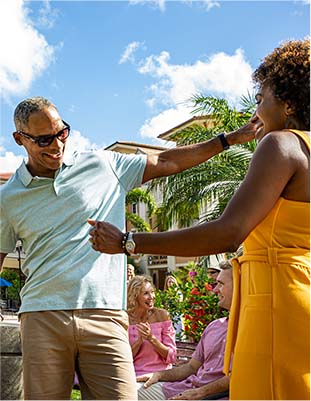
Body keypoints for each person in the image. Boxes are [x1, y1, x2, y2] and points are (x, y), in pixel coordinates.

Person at [89, 39, 310, 400]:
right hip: (296, 295)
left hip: (273, 302)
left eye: (261, 98)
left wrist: (128, 241)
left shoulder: (281, 145)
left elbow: (228, 232)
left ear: (287, 103)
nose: (256, 108)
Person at [0, 96, 256, 400]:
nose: (56, 145)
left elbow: (166, 161)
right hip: (43, 315)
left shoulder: (101, 164)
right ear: (20, 139)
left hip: (105, 313)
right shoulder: (9, 197)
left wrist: (227, 140)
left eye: (61, 132)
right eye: (44, 139)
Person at [136, 261, 233, 400]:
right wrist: (158, 375)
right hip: (182, 389)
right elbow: (191, 368)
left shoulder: (252, 329)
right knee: (125, 392)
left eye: (221, 284)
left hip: (208, 396)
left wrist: (201, 393)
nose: (215, 289)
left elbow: (240, 376)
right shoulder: (214, 326)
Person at [127, 275, 176, 377]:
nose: (152, 297)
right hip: (134, 375)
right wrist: (139, 342)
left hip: (161, 375)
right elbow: (124, 360)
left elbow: (171, 356)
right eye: (146, 293)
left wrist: (151, 338)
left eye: (152, 292)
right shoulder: (125, 319)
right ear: (134, 296)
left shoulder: (162, 316)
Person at [163, 275, 184, 339]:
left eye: (172, 282)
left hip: (177, 315)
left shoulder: (178, 293)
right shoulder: (165, 294)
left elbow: (178, 303)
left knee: (178, 332)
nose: (171, 284)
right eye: (169, 282)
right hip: (168, 315)